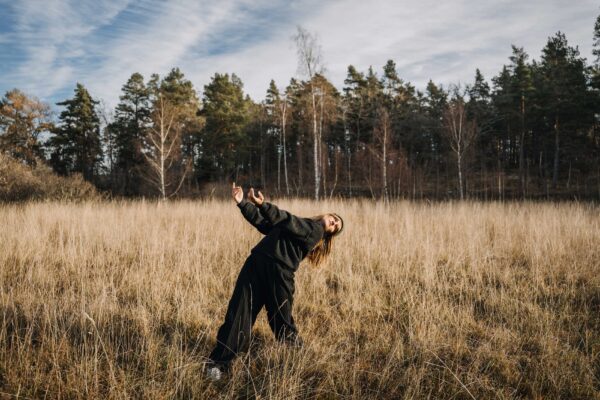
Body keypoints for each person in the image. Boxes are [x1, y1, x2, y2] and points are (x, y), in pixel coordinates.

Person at [204, 182, 344, 381]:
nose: (334, 223)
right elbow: (266, 225)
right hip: (256, 264)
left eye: (336, 227)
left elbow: (287, 220)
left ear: (329, 233)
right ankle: (219, 364)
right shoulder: (301, 224)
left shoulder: (314, 231)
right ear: (328, 214)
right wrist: (242, 203)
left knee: (281, 322)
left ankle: (302, 362)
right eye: (335, 219)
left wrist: (263, 205)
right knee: (238, 314)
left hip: (280, 275)